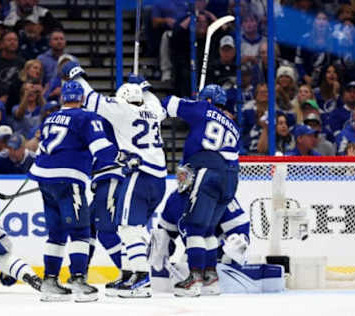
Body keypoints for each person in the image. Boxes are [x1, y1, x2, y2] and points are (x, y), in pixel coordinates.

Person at [64, 61, 167, 298]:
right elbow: (154, 101)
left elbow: (90, 98)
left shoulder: (121, 110)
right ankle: (133, 273)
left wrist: (76, 75)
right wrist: (143, 85)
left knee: (128, 227)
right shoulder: (153, 111)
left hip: (139, 174)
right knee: (132, 226)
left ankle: (140, 277)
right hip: (159, 177)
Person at [27, 80, 134, 302]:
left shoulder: (50, 117)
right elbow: (101, 148)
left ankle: (50, 281)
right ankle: (77, 280)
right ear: (83, 99)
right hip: (69, 178)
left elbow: (40, 150)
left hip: (44, 179)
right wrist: (123, 158)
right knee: (80, 231)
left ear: (63, 98)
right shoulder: (87, 117)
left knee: (55, 232)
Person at [161, 84, 240, 296]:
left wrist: (190, 102)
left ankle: (194, 278)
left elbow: (168, 103)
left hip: (207, 172)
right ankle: (210, 278)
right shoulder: (233, 125)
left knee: (193, 225)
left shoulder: (202, 109)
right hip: (230, 179)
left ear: (206, 100)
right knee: (207, 229)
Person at [149, 166, 250, 296]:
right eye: (179, 174)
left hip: (220, 256)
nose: (180, 179)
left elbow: (238, 225)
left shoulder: (217, 194)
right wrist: (160, 249)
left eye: (184, 175)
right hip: (196, 254)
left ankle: (209, 279)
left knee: (221, 255)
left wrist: (240, 241)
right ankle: (204, 281)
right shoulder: (174, 199)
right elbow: (166, 233)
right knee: (184, 262)